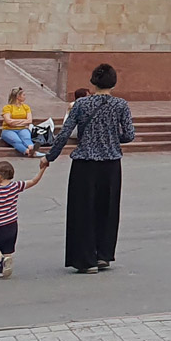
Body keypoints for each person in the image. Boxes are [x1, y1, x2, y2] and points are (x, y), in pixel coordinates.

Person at [46, 63, 135, 273]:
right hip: (111, 164)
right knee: (108, 210)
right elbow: (129, 135)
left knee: (83, 211)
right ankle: (103, 254)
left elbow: (65, 133)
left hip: (85, 164)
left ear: (93, 82)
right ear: (113, 83)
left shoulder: (81, 105)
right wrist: (113, 138)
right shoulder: (121, 105)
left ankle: (86, 260)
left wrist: (49, 157)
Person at [0, 157, 49, 278]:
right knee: (7, 249)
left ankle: (2, 261)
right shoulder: (16, 186)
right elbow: (33, 181)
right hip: (12, 225)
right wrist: (42, 170)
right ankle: (4, 267)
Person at [0, 87, 37, 157]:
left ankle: (32, 148)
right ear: (18, 97)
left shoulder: (26, 107)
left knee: (27, 139)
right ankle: (27, 152)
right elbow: (8, 121)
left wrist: (15, 121)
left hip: (22, 128)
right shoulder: (7, 108)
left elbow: (29, 120)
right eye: (23, 95)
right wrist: (23, 121)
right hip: (8, 130)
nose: (25, 97)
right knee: (17, 141)